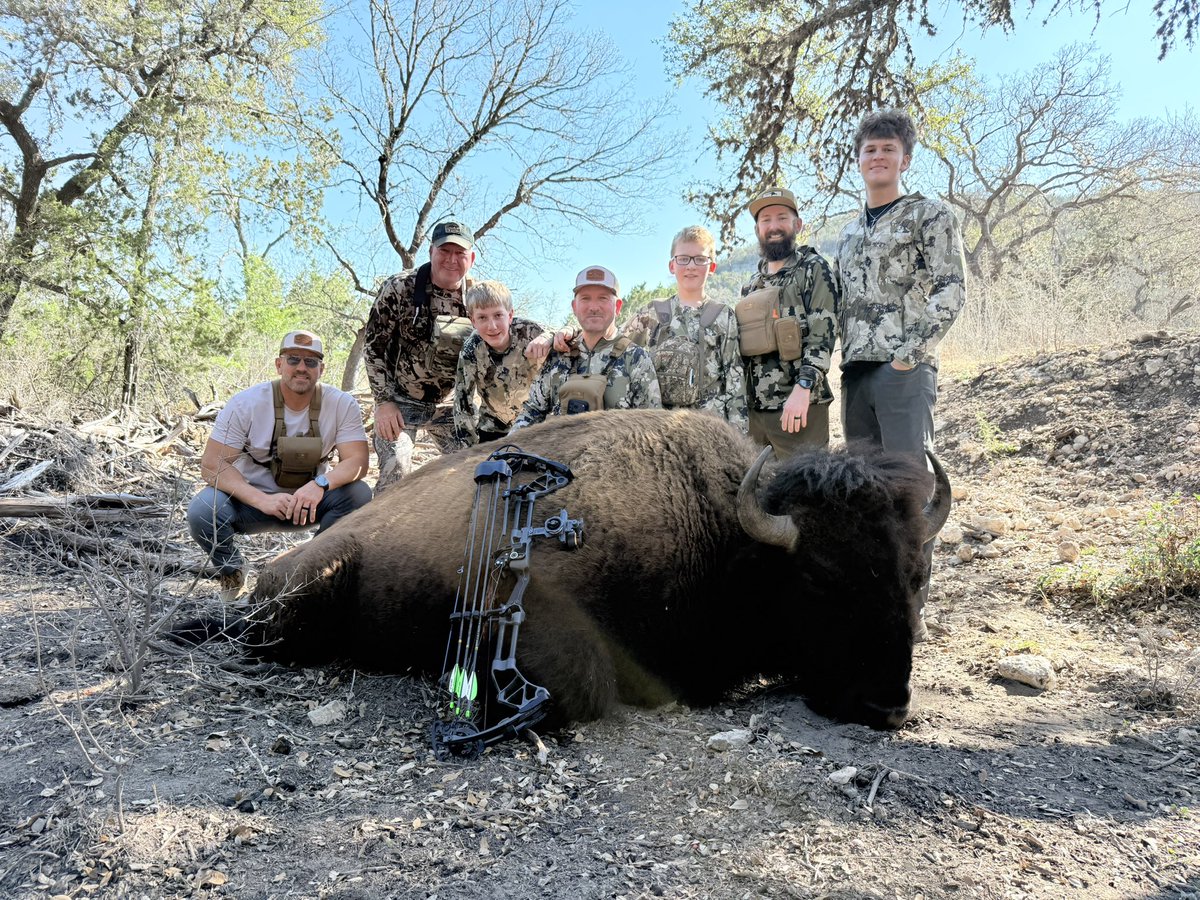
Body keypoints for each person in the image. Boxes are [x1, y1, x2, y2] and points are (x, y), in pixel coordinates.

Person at [833, 108, 966, 639]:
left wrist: (908, 355)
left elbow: (950, 289)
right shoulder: (846, 235)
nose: (878, 157)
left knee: (910, 488)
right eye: (869, 150)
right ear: (858, 162)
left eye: (888, 149)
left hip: (903, 374)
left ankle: (910, 612)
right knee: (866, 492)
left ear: (905, 159)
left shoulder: (929, 215)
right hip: (855, 376)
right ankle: (872, 601)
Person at [188, 330, 371, 602]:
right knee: (202, 511)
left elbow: (358, 461)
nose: (301, 367)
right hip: (249, 503)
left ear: (322, 369)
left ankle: (314, 570)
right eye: (293, 359)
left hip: (308, 504)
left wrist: (320, 485)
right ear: (278, 364)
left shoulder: (341, 404)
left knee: (359, 494)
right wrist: (261, 500)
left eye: (311, 362)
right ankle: (232, 571)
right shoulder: (246, 403)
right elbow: (212, 464)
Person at [363, 220, 477, 492]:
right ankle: (380, 534)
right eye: (444, 251)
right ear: (431, 252)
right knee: (397, 471)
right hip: (400, 403)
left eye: (459, 253)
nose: (451, 260)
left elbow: (505, 334)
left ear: (471, 258)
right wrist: (384, 402)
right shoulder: (400, 288)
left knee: (475, 471)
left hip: (451, 407)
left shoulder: (479, 297)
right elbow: (373, 347)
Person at [737, 187, 838, 457]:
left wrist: (803, 388)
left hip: (799, 408)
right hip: (756, 414)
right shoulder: (751, 285)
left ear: (797, 224)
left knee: (806, 493)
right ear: (758, 229)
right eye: (765, 220)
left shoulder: (813, 268)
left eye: (782, 217)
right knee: (758, 495)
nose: (774, 226)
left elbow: (822, 336)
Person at [619, 225, 747, 430]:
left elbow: (734, 375)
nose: (691, 266)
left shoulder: (723, 315)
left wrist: (738, 433)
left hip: (709, 428)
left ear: (711, 267)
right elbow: (615, 345)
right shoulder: (651, 312)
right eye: (683, 258)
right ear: (672, 265)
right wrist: (568, 334)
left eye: (700, 259)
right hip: (659, 427)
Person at [510, 266, 661, 430]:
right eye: (585, 298)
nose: (593, 307)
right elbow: (533, 411)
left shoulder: (636, 359)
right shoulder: (559, 354)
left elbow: (651, 427)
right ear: (574, 307)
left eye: (603, 298)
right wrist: (507, 448)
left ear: (617, 306)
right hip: (556, 452)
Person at [452, 280, 546, 446]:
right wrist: (468, 450)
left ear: (510, 315)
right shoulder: (470, 350)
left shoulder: (532, 332)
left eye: (498, 315)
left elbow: (562, 349)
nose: (492, 326)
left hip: (534, 424)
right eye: (482, 317)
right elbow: (462, 403)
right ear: (473, 321)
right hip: (493, 426)